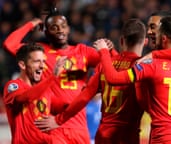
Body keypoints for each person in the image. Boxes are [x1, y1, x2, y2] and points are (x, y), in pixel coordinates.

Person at [94, 16, 171, 144]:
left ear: (163, 38)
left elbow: (114, 78)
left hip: (165, 138)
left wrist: (104, 52)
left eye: (156, 33)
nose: (152, 35)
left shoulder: (151, 64)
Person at [3, 7, 106, 144]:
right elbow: (9, 44)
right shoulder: (39, 53)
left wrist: (107, 51)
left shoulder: (83, 51)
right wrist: (32, 24)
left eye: (63, 26)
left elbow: (110, 64)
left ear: (69, 29)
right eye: (54, 27)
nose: (60, 30)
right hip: (51, 125)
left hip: (78, 125)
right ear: (45, 31)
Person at [3, 43, 67, 144]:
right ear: (22, 65)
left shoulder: (45, 89)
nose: (42, 66)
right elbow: (24, 98)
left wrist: (88, 90)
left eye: (43, 61)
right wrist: (52, 77)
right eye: (37, 61)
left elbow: (64, 107)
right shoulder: (13, 86)